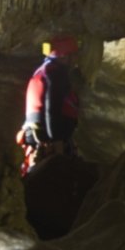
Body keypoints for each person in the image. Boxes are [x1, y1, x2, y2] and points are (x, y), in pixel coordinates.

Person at [16, 35, 81, 176]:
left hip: (38, 138)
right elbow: (51, 109)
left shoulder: (43, 71)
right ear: (64, 56)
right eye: (74, 55)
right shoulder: (56, 73)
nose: (76, 59)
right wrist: (56, 142)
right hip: (48, 141)